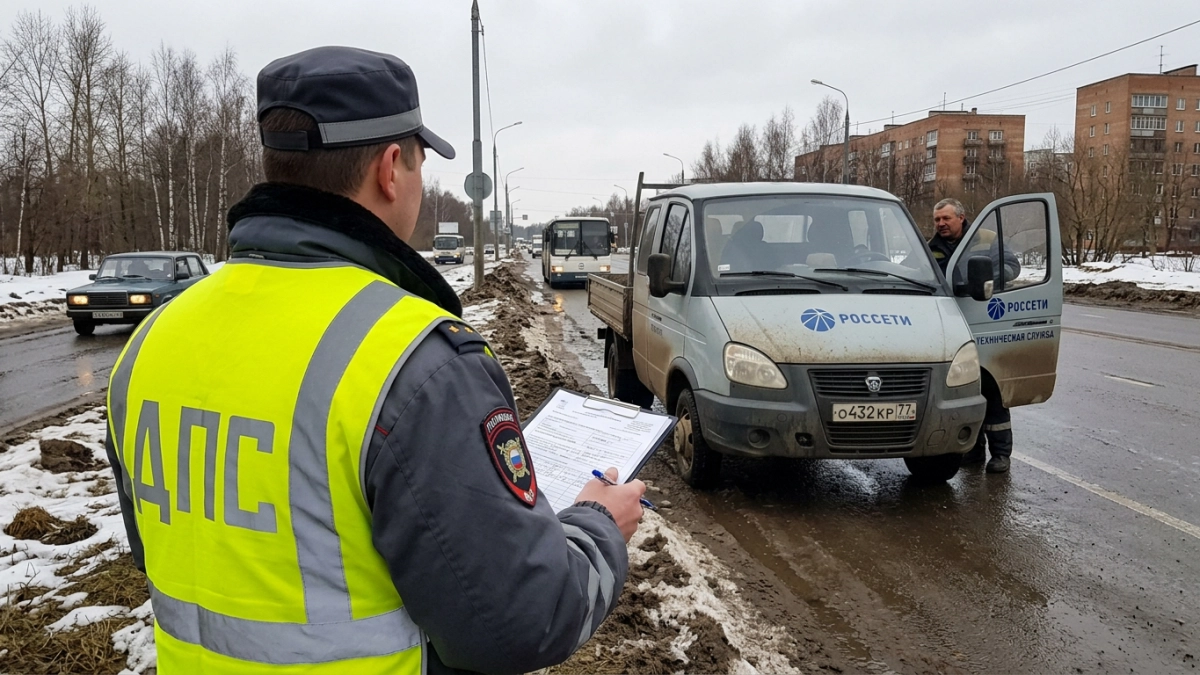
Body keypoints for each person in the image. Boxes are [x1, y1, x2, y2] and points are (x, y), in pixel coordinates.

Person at [104, 46, 646, 674]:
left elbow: (162, 551)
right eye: (418, 163)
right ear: (393, 168)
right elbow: (521, 623)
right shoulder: (414, 360)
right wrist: (598, 526)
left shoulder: (150, 342)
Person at [928, 197, 1017, 473]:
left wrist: (986, 281)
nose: (941, 224)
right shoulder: (930, 248)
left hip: (983, 318)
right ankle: (974, 451)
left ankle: (1001, 454)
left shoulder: (986, 238)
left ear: (961, 217)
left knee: (991, 388)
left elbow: (1012, 266)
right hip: (949, 324)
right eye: (937, 220)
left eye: (946, 218)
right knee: (967, 387)